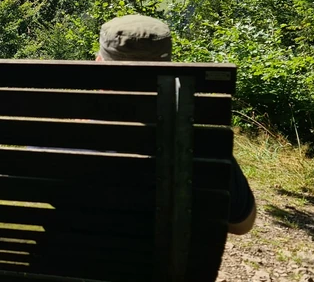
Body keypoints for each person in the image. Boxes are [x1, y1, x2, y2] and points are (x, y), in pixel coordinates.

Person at [97, 14, 257, 236]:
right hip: (164, 269)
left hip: (69, 265)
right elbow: (241, 224)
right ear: (168, 69)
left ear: (98, 64)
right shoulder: (200, 144)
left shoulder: (61, 136)